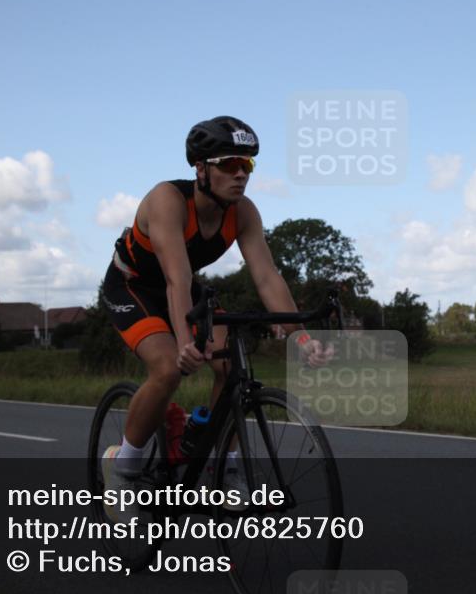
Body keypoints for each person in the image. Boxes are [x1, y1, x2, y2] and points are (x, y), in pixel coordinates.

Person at [100, 116, 333, 516]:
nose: (241, 175)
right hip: (135, 286)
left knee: (231, 368)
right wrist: (184, 344)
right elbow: (176, 279)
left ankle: (223, 467)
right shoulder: (167, 200)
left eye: (248, 166)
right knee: (168, 370)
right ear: (201, 168)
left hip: (185, 289)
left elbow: (266, 275)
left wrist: (301, 336)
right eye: (230, 165)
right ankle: (123, 469)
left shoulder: (243, 213)